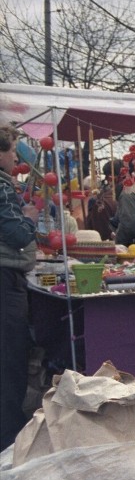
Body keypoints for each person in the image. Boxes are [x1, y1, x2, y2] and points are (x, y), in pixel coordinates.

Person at [0, 124, 39, 450]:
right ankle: (9, 442)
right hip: (4, 282)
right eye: (12, 150)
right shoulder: (1, 187)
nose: (15, 157)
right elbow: (17, 235)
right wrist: (28, 217)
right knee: (9, 361)